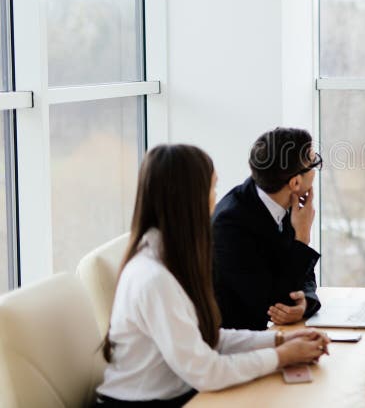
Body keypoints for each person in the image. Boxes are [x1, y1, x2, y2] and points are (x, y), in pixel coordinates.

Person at [96, 144, 329, 406]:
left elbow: (206, 338)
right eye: (212, 187)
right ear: (190, 199)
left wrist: (279, 339)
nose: (216, 198)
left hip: (179, 395)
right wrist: (282, 356)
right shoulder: (153, 277)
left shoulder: (170, 258)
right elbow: (206, 371)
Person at [212, 127, 322, 330]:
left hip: (267, 334)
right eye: (314, 163)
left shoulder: (286, 202)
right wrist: (302, 237)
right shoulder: (229, 225)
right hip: (235, 344)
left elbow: (305, 277)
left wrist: (305, 302)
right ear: (295, 182)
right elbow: (275, 302)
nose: (316, 171)